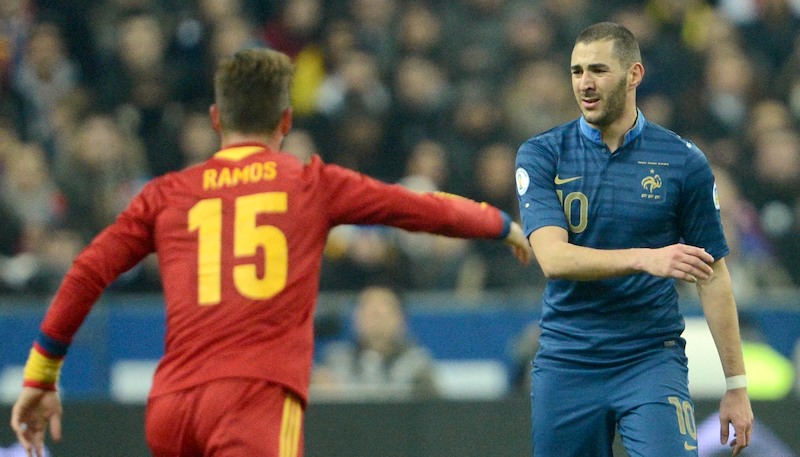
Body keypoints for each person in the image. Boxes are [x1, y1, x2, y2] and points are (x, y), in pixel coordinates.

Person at [9, 48, 532, 457]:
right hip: (253, 399)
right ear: (285, 121)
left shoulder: (166, 194)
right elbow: (418, 208)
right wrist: (500, 223)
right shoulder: (311, 183)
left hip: (172, 407)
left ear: (216, 118)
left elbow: (87, 272)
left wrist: (41, 377)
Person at [514, 22, 753, 457]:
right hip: (568, 359)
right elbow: (553, 259)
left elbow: (713, 274)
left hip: (650, 358)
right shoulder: (543, 153)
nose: (584, 83)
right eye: (576, 71)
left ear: (634, 75)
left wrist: (736, 386)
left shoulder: (682, 161)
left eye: (598, 70)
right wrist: (646, 258)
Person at [311, 285, 439, 399]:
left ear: (401, 319)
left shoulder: (417, 364)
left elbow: (431, 409)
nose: (375, 313)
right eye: (367, 306)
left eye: (384, 307)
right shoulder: (335, 361)